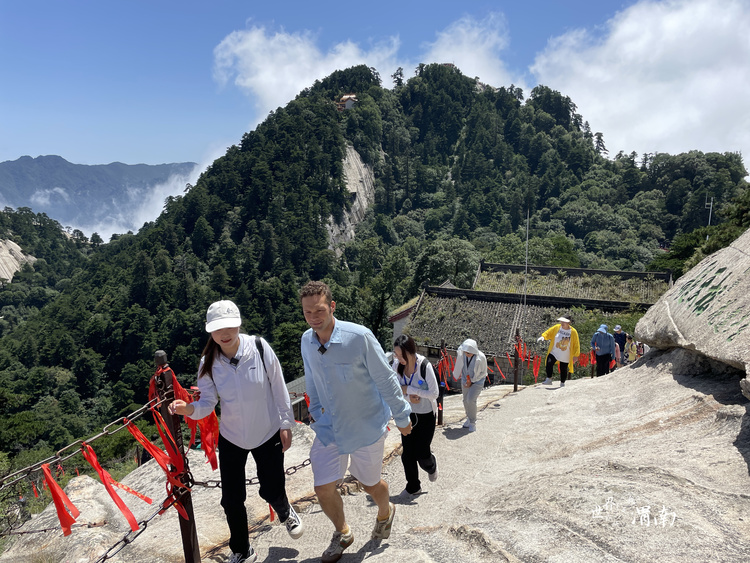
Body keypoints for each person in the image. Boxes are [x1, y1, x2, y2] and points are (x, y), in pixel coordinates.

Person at [169, 300, 302, 563]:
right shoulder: (209, 362)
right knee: (231, 499)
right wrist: (188, 409)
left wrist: (286, 424)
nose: (225, 333)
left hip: (267, 431)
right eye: (218, 329)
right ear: (210, 332)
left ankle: (284, 510)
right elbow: (207, 403)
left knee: (271, 488)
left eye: (230, 326)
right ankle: (242, 549)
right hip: (231, 437)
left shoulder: (260, 348)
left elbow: (278, 386)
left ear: (239, 323)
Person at [299, 281, 412, 563]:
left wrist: (402, 416)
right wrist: (316, 411)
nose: (314, 316)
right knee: (323, 487)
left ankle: (385, 511)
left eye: (320, 310)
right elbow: (311, 378)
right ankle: (343, 532)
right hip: (329, 426)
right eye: (308, 311)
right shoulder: (307, 340)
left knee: (369, 483)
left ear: (332, 307)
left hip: (365, 425)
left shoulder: (358, 337)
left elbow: (385, 378)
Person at [392, 334, 439, 500]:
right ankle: (413, 486)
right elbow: (396, 390)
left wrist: (411, 390)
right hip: (407, 413)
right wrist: (407, 396)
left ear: (411, 352)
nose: (398, 358)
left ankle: (431, 465)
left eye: (401, 355)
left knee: (422, 453)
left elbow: (434, 393)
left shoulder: (424, 366)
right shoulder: (397, 365)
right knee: (407, 454)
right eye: (396, 354)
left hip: (426, 415)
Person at [451, 338, 487, 432]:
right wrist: (465, 381)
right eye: (465, 352)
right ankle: (469, 417)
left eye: (468, 352)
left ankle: (472, 422)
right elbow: (462, 369)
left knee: (471, 400)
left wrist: (472, 380)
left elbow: (483, 373)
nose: (467, 354)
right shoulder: (462, 355)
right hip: (465, 380)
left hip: (477, 381)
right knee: (465, 401)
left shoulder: (481, 357)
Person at [536, 317, 580, 388]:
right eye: (561, 321)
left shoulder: (573, 332)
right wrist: (543, 337)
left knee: (563, 368)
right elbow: (549, 332)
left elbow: (576, 344)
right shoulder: (557, 328)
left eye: (564, 322)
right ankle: (549, 378)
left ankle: (562, 383)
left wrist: (576, 355)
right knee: (549, 362)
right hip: (555, 351)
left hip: (565, 353)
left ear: (568, 323)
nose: (562, 323)